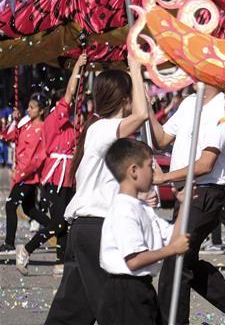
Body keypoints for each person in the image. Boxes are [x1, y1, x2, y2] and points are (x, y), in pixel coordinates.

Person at [44, 56, 151, 325]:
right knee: (119, 308)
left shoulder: (98, 131)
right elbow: (141, 115)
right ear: (125, 99)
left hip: (85, 229)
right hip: (98, 231)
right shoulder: (104, 130)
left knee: (70, 312)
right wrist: (136, 71)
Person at [151, 84, 225, 324]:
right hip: (186, 194)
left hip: (207, 194)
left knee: (176, 261)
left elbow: (205, 165)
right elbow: (161, 139)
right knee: (185, 261)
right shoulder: (190, 102)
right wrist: (143, 101)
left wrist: (163, 178)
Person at [98, 138, 191, 325]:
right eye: (150, 166)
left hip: (141, 289)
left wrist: (183, 205)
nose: (155, 172)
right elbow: (134, 260)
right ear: (133, 170)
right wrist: (173, 250)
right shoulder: (124, 209)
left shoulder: (142, 207)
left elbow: (173, 238)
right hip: (125, 293)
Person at [17, 54, 88, 275]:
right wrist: (77, 66)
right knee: (57, 222)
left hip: (70, 179)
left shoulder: (73, 127)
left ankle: (61, 261)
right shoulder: (54, 120)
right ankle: (26, 249)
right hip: (56, 178)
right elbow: (69, 94)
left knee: (67, 220)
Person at [1, 92, 53, 257]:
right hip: (22, 174)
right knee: (29, 209)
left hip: (28, 177)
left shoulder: (42, 129)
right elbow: (10, 137)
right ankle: (56, 227)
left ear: (41, 110)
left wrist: (20, 174)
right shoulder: (26, 124)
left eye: (32, 107)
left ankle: (9, 243)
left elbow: (36, 158)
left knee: (11, 205)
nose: (28, 110)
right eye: (28, 107)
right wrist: (14, 121)